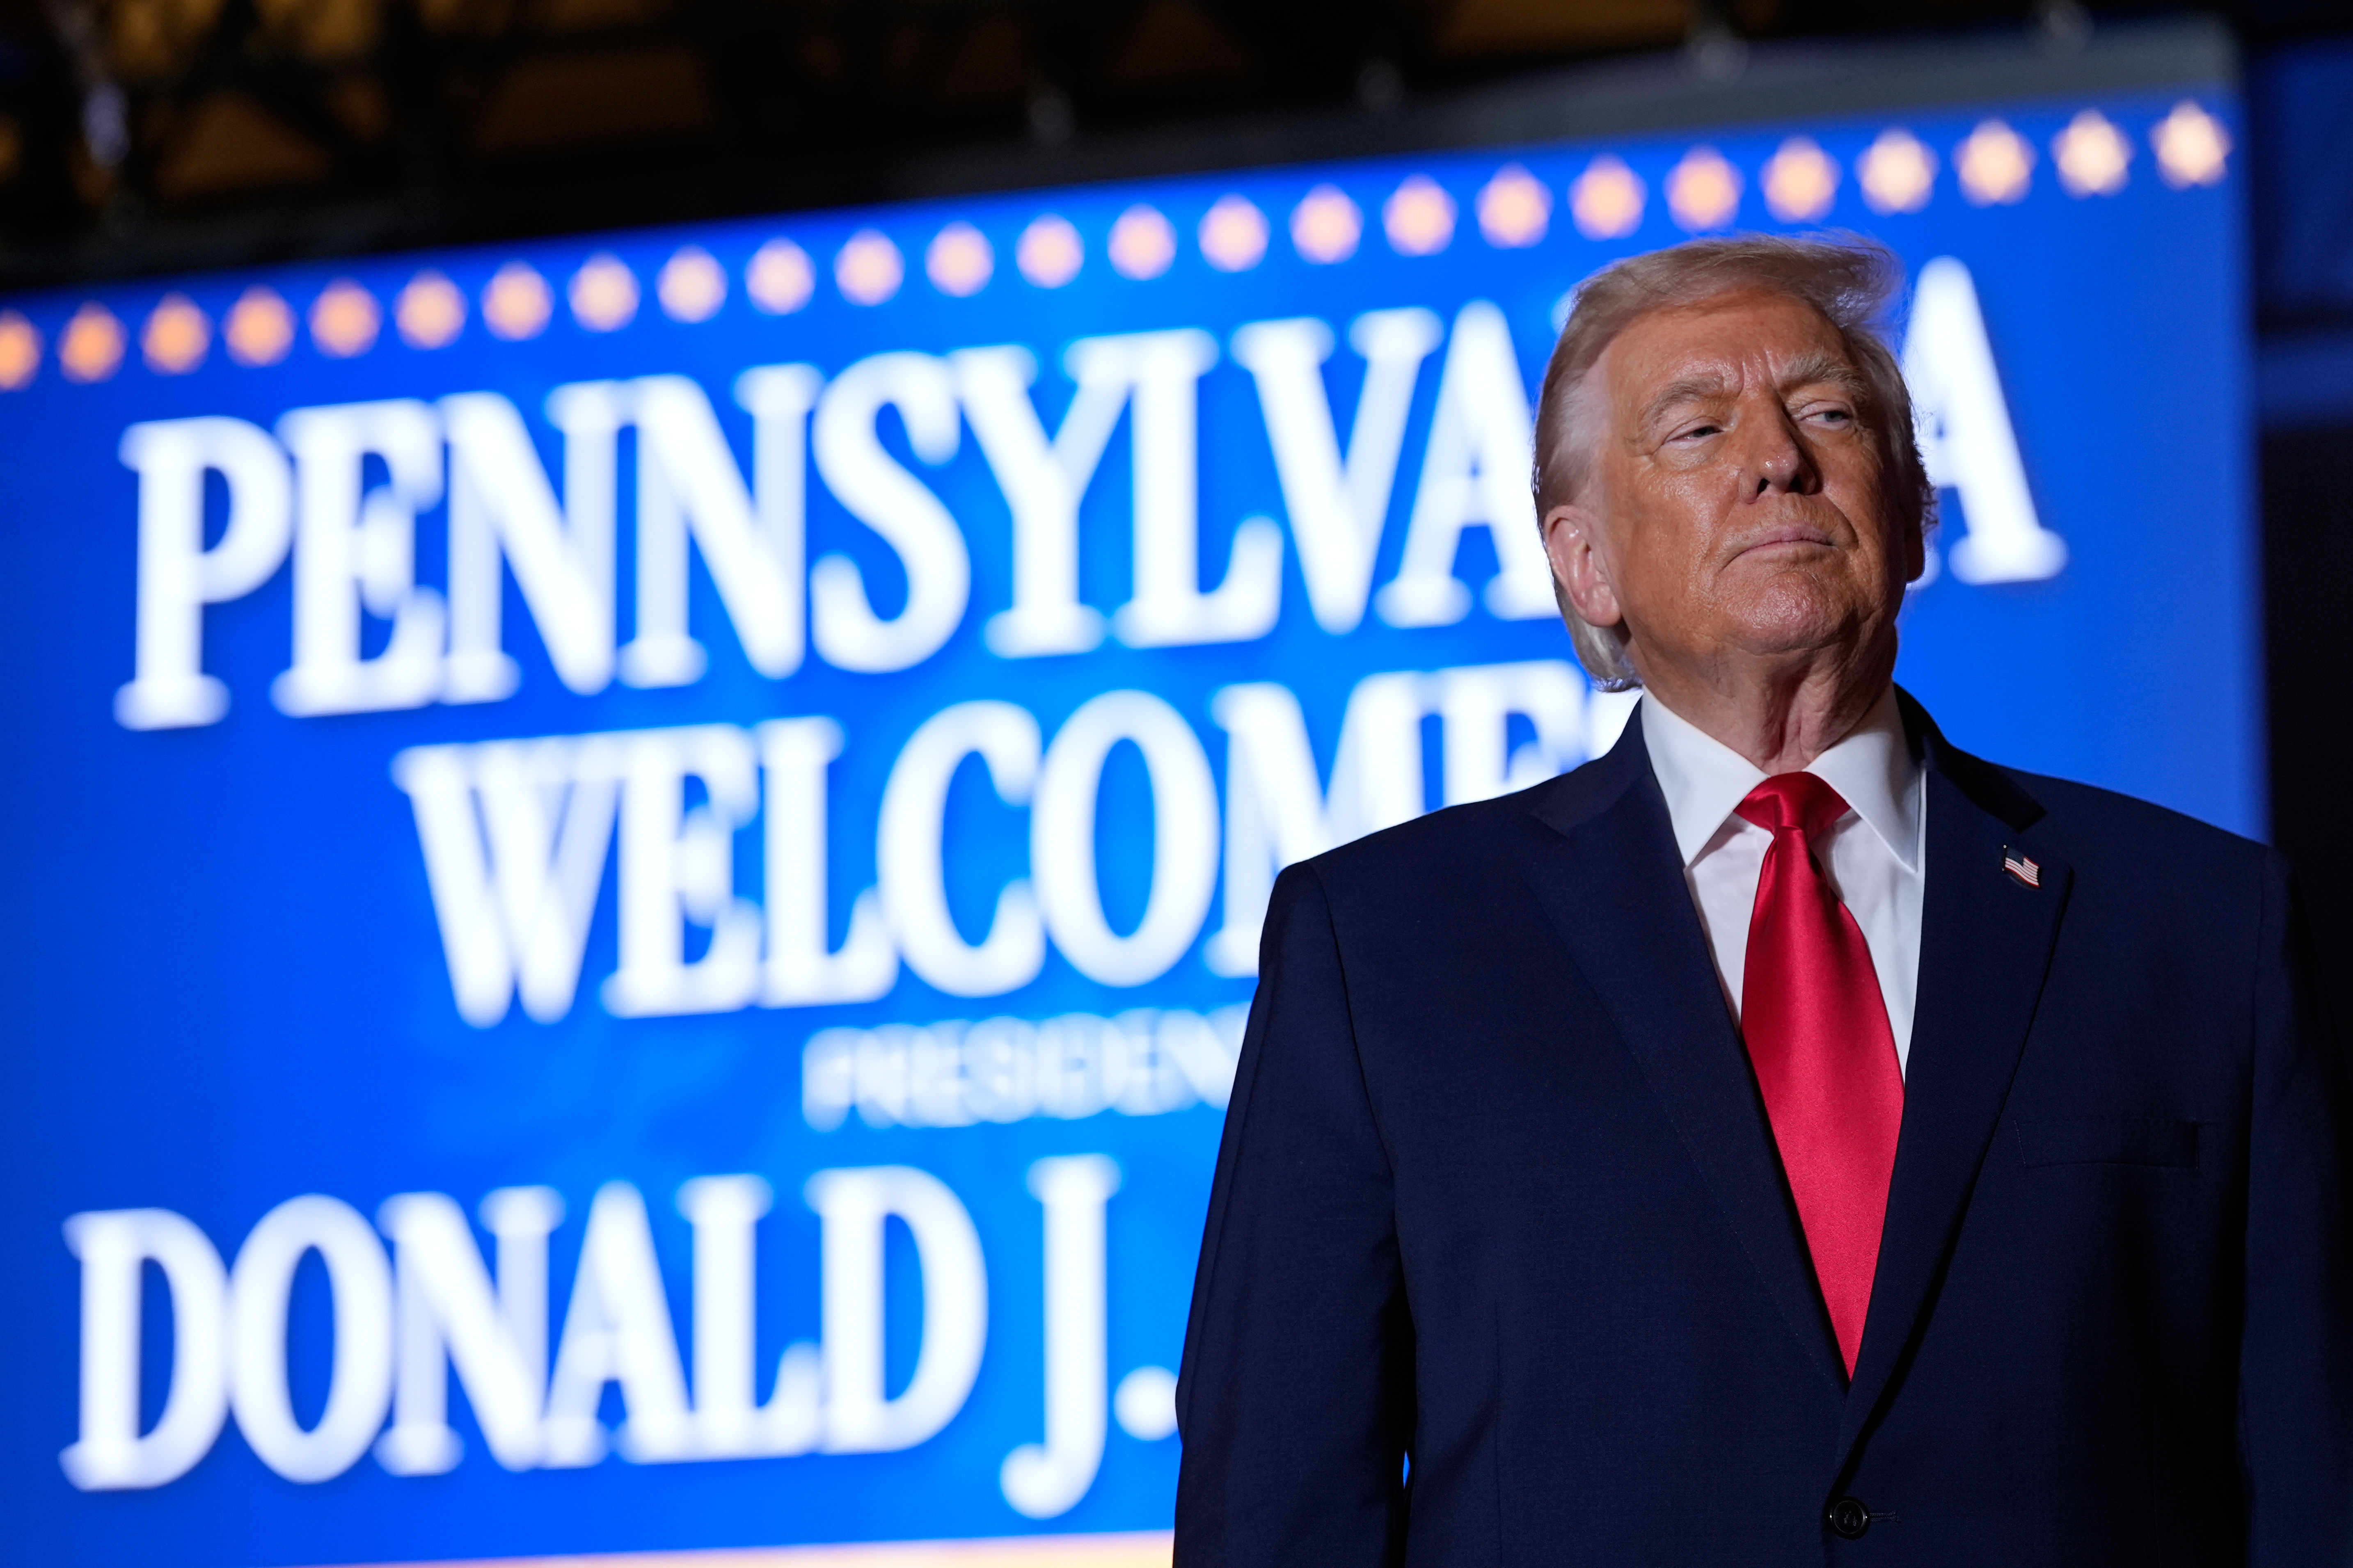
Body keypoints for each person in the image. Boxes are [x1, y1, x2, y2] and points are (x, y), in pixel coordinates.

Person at [1173, 234, 2351, 1564]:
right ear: (1586, 566)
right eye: (1696, 429)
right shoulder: (1382, 947)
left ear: (1910, 514)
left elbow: (2315, 1481)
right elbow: (1278, 1513)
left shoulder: (2199, 926)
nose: (1777, 457)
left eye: (1829, 412)